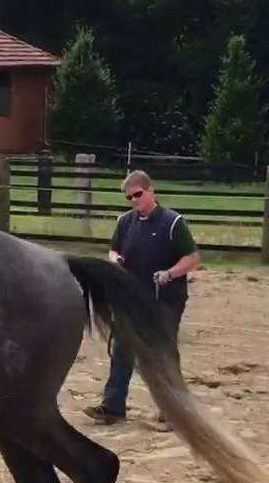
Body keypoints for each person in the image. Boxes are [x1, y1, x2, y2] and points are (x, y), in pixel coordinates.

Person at [83, 169, 200, 426]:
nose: (134, 200)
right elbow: (113, 250)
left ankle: (173, 411)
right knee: (122, 348)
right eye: (129, 197)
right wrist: (116, 260)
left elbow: (192, 258)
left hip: (165, 298)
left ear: (151, 190)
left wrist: (170, 273)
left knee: (162, 352)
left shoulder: (172, 222)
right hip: (131, 296)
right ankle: (113, 406)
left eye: (137, 194)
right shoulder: (125, 222)